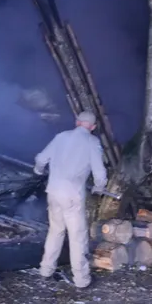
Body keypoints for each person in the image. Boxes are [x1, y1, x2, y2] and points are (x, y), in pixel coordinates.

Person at [33, 111, 108, 289]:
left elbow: (41, 158)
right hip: (72, 195)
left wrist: (38, 170)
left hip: (53, 191)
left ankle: (45, 270)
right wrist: (99, 187)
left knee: (55, 231)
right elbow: (100, 172)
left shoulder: (61, 137)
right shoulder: (92, 142)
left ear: (77, 122)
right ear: (93, 127)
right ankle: (81, 280)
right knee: (77, 237)